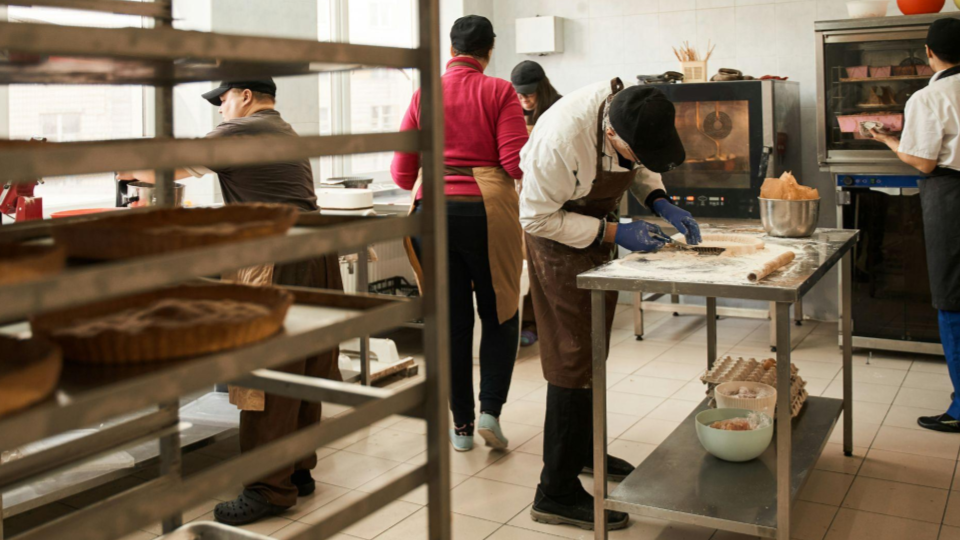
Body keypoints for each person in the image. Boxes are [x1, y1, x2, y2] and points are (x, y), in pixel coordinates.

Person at [117, 78, 342, 524]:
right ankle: (297, 472)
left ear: (243, 95)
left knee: (268, 377)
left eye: (221, 101)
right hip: (315, 257)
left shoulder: (244, 130)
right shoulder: (283, 130)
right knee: (303, 369)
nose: (220, 110)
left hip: (279, 261)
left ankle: (267, 490)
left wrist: (125, 170)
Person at [519, 78, 701, 530]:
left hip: (594, 232)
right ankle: (554, 492)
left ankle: (582, 451)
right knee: (571, 356)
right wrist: (616, 233)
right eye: (634, 152)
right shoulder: (560, 139)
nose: (637, 160)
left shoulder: (632, 108)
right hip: (554, 240)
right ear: (611, 136)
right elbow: (536, 216)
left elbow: (638, 166)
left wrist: (661, 202)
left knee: (592, 348)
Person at [391, 15, 528, 452]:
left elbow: (400, 174)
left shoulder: (423, 94)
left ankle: (462, 428)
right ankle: (491, 412)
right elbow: (515, 164)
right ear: (489, 52)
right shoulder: (500, 90)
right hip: (486, 214)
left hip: (430, 216)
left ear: (451, 51)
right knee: (501, 312)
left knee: (451, 321)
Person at [870, 18, 960, 433]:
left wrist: (890, 140)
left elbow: (923, 161)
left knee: (953, 297)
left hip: (952, 196)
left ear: (928, 52)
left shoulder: (929, 96)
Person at [510, 60, 563, 348]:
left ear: (542, 87)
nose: (525, 100)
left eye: (529, 94)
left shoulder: (559, 110)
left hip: (552, 197)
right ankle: (525, 320)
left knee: (544, 262)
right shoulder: (514, 113)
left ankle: (543, 321)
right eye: (519, 95)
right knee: (522, 262)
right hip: (520, 197)